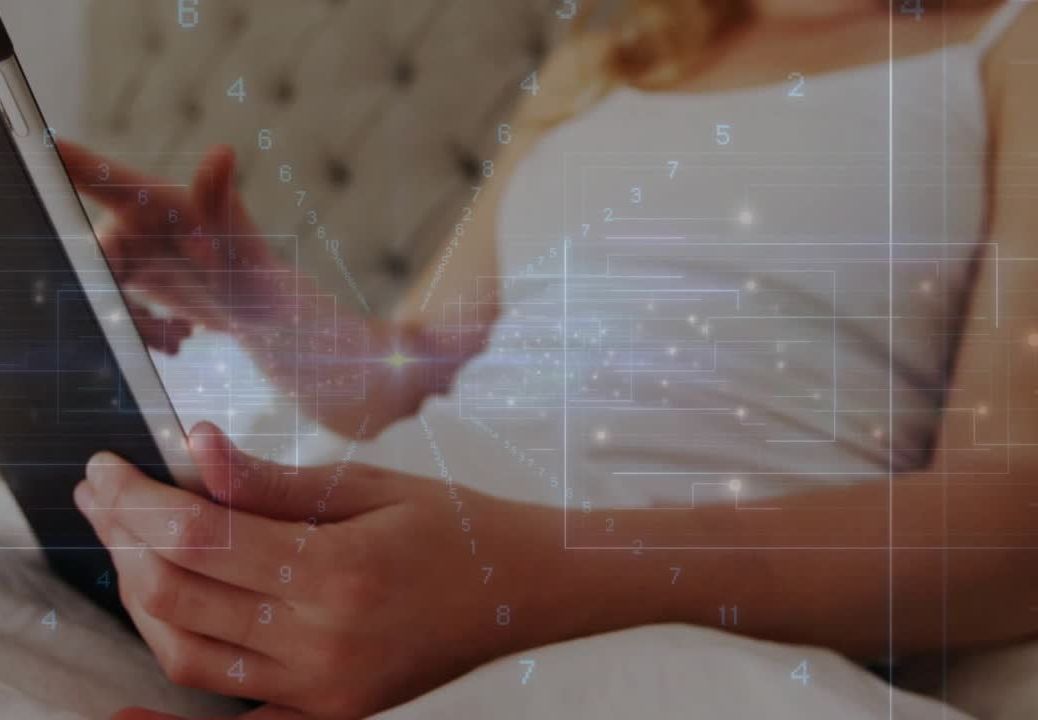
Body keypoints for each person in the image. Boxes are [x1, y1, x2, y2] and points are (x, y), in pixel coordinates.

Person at [57, 0, 1038, 717]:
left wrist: (519, 583)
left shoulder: (1008, 42)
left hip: (654, 603)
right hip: (400, 545)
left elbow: (1010, 512)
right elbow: (411, 369)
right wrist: (251, 298)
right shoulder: (603, 68)